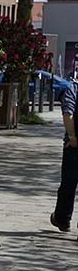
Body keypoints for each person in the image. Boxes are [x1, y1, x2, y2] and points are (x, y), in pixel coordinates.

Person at [49, 79, 78, 235]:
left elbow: (68, 113)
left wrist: (72, 136)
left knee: (69, 182)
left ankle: (62, 218)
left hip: (74, 146)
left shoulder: (74, 88)